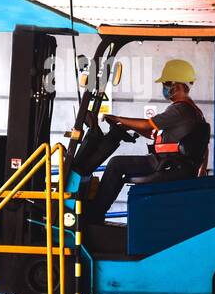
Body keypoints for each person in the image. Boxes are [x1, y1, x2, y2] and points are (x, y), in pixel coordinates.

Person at [88, 58, 207, 220]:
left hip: (167, 164)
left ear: (177, 85)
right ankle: (96, 213)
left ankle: (93, 215)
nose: (164, 88)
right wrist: (128, 126)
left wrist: (119, 119)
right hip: (173, 163)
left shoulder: (180, 109)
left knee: (116, 164)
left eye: (165, 84)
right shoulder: (193, 111)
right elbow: (153, 133)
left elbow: (149, 124)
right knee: (120, 167)